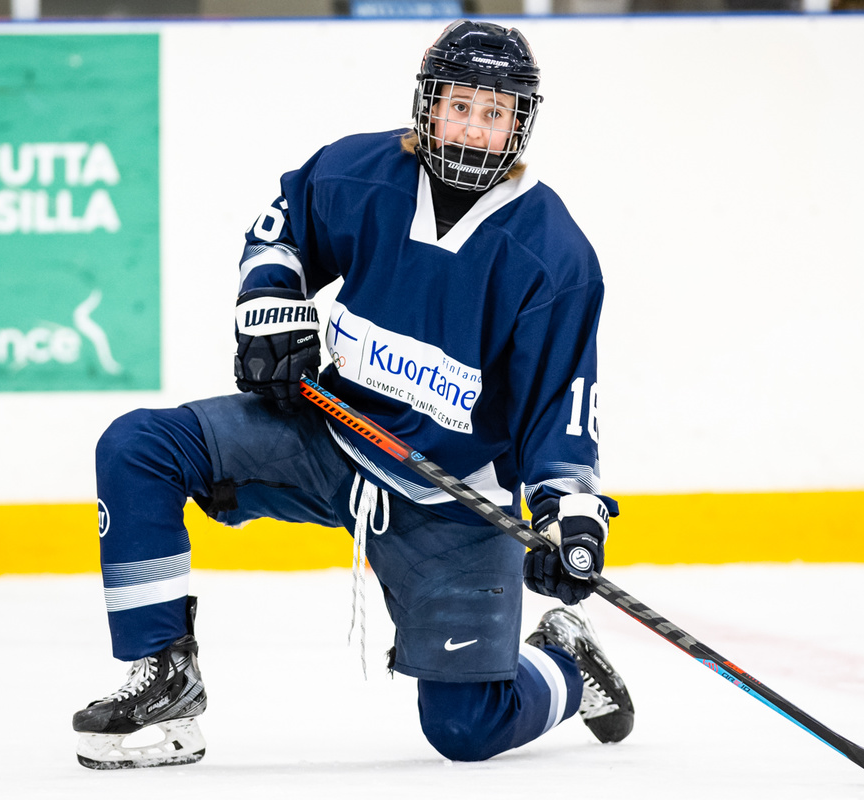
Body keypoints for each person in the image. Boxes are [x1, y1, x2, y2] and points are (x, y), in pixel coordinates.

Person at [71, 19, 634, 770]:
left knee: (465, 729)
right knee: (140, 447)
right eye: (459, 105)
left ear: (519, 127)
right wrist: (269, 308)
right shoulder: (360, 173)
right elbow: (282, 233)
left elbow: (561, 409)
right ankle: (164, 680)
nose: (473, 128)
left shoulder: (553, 256)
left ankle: (568, 664)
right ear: (428, 107)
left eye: (494, 113)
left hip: (450, 498)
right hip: (327, 435)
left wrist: (570, 517)